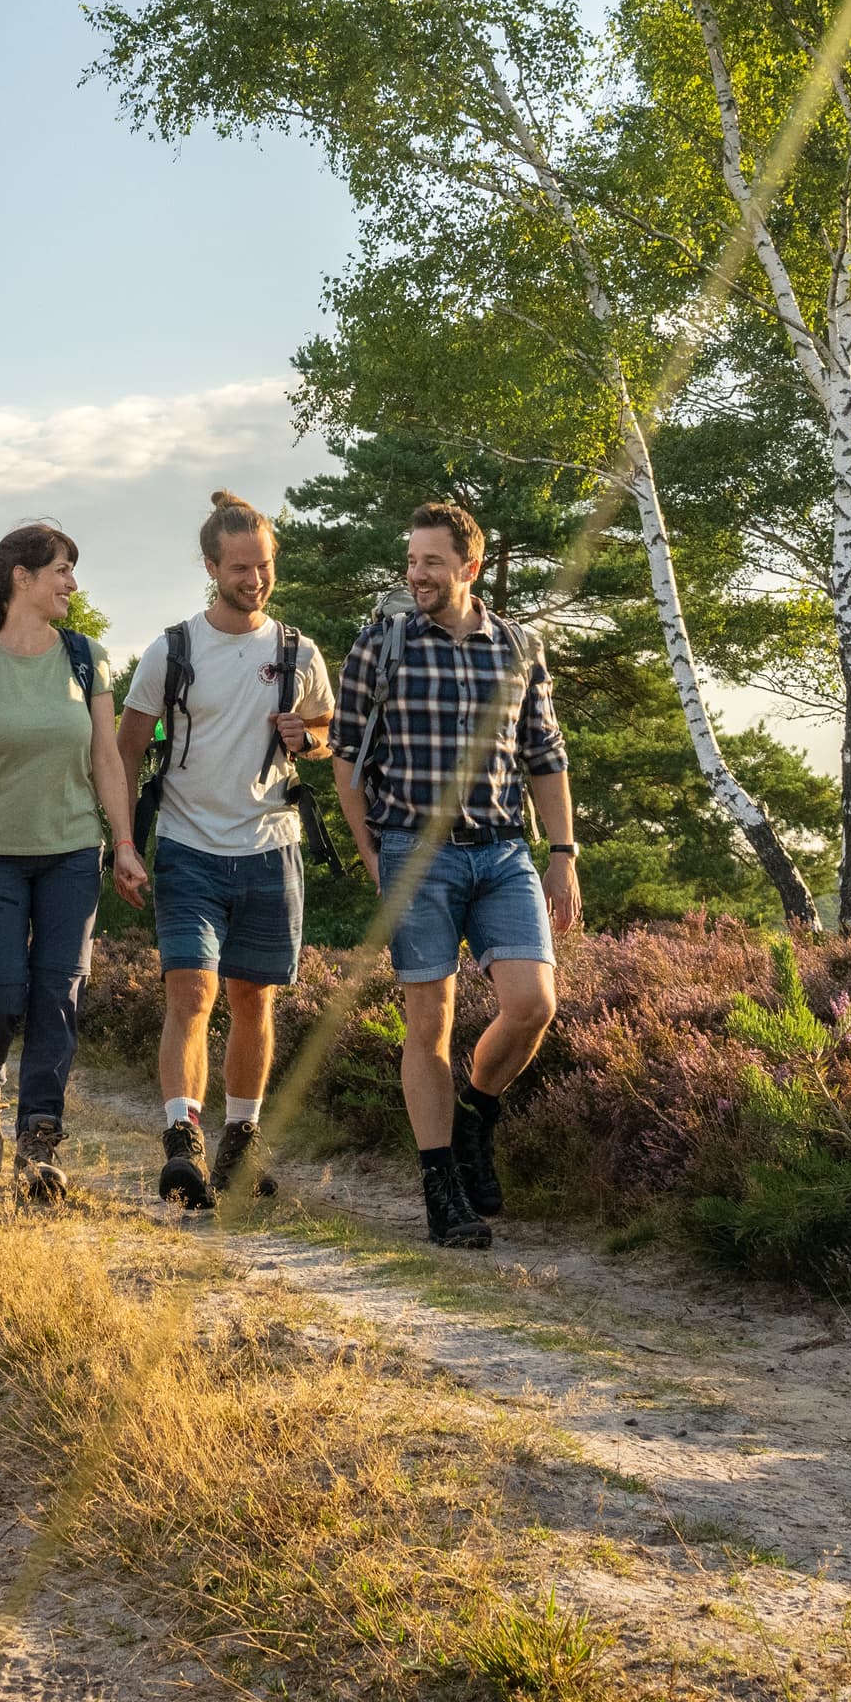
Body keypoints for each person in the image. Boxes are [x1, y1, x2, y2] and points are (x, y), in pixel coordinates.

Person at [327, 499, 580, 1252]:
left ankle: (477, 1112)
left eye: (431, 562)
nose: (417, 575)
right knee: (429, 1023)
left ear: (469, 567)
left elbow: (546, 758)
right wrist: (373, 852)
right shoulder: (384, 645)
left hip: (504, 853)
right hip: (417, 854)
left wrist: (562, 855)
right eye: (411, 562)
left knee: (534, 1004)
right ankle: (441, 1184)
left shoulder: (520, 648)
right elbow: (344, 757)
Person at [116, 490, 332, 1208]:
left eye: (264, 565)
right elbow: (122, 749)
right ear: (211, 566)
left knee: (253, 997)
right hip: (187, 845)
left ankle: (242, 1141)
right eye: (240, 567)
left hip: (272, 846)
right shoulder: (170, 650)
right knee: (192, 992)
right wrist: (123, 840)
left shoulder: (298, 650)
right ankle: (183, 1141)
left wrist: (313, 737)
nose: (255, 579)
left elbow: (326, 730)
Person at [0, 520, 147, 1196]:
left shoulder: (87, 656)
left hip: (72, 851)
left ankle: (40, 1141)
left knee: (58, 995)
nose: (72, 585)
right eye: (61, 570)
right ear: (22, 577)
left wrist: (126, 844)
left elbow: (107, 758)